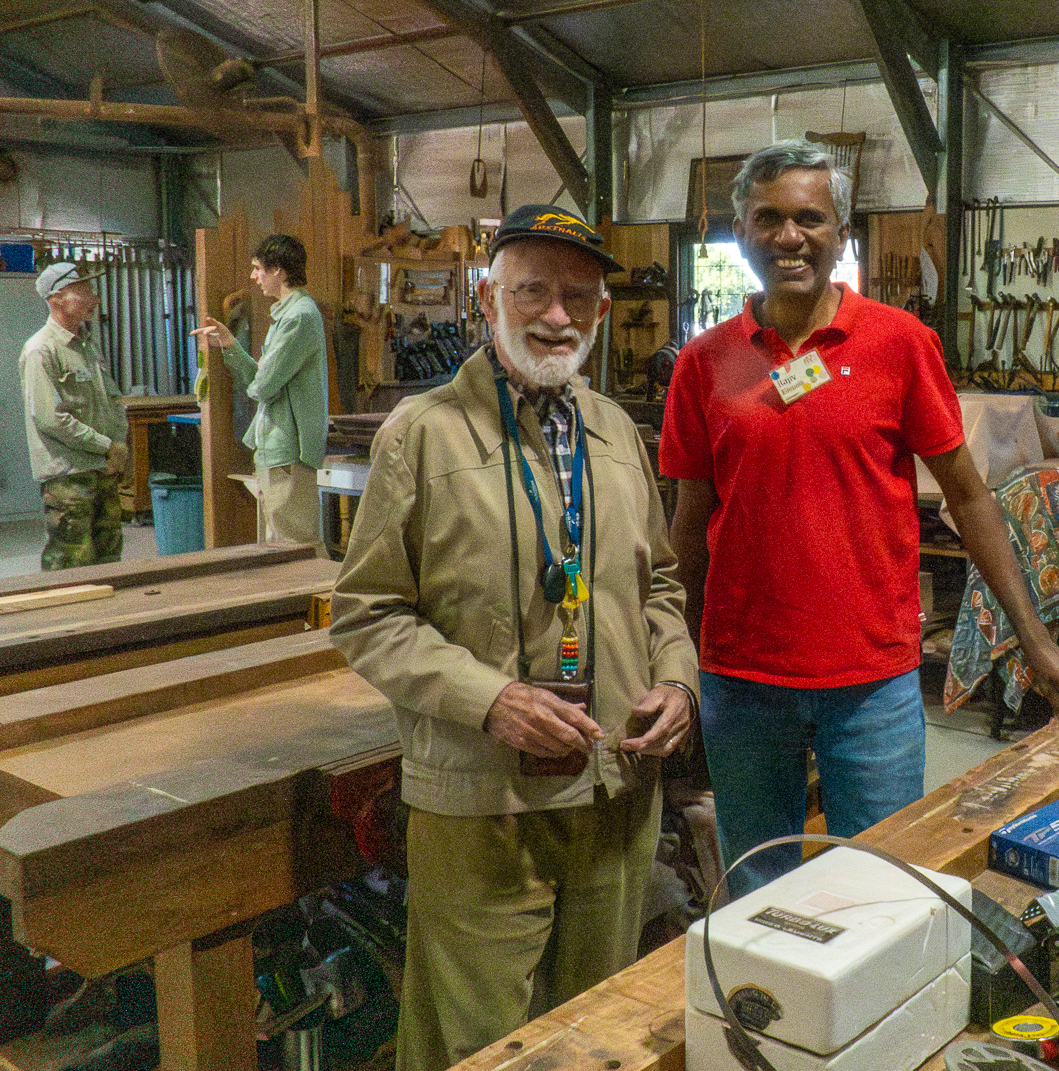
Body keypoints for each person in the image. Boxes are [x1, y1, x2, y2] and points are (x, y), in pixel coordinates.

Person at [660, 140, 1059, 896]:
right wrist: (677, 666)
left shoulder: (900, 344)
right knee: (758, 891)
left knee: (882, 890)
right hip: (741, 680)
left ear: (842, 233)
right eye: (767, 219)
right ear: (740, 233)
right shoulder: (702, 364)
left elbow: (969, 496)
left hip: (872, 683)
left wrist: (1035, 641)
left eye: (810, 218)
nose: (789, 236)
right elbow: (689, 526)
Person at [329, 204, 698, 1071]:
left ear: (603, 311)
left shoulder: (617, 432)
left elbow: (662, 585)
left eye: (578, 296)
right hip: (482, 804)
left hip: (614, 794)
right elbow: (368, 611)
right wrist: (491, 700)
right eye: (533, 290)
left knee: (598, 1037)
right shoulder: (421, 434)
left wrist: (679, 680)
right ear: (489, 299)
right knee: (477, 1046)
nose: (557, 315)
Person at [191, 234, 328, 553]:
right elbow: (263, 379)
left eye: (257, 268)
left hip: (288, 450)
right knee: (278, 548)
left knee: (295, 548)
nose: (253, 277)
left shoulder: (299, 316)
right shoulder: (286, 314)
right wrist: (231, 345)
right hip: (274, 447)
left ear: (278, 270)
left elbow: (263, 385)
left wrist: (264, 375)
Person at [20, 261, 129, 571]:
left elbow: (112, 401)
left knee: (109, 556)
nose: (95, 298)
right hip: (69, 475)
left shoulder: (87, 346)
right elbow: (50, 418)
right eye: (84, 291)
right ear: (56, 299)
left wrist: (118, 445)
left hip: (103, 467)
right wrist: (107, 446)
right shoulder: (41, 350)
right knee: (70, 560)